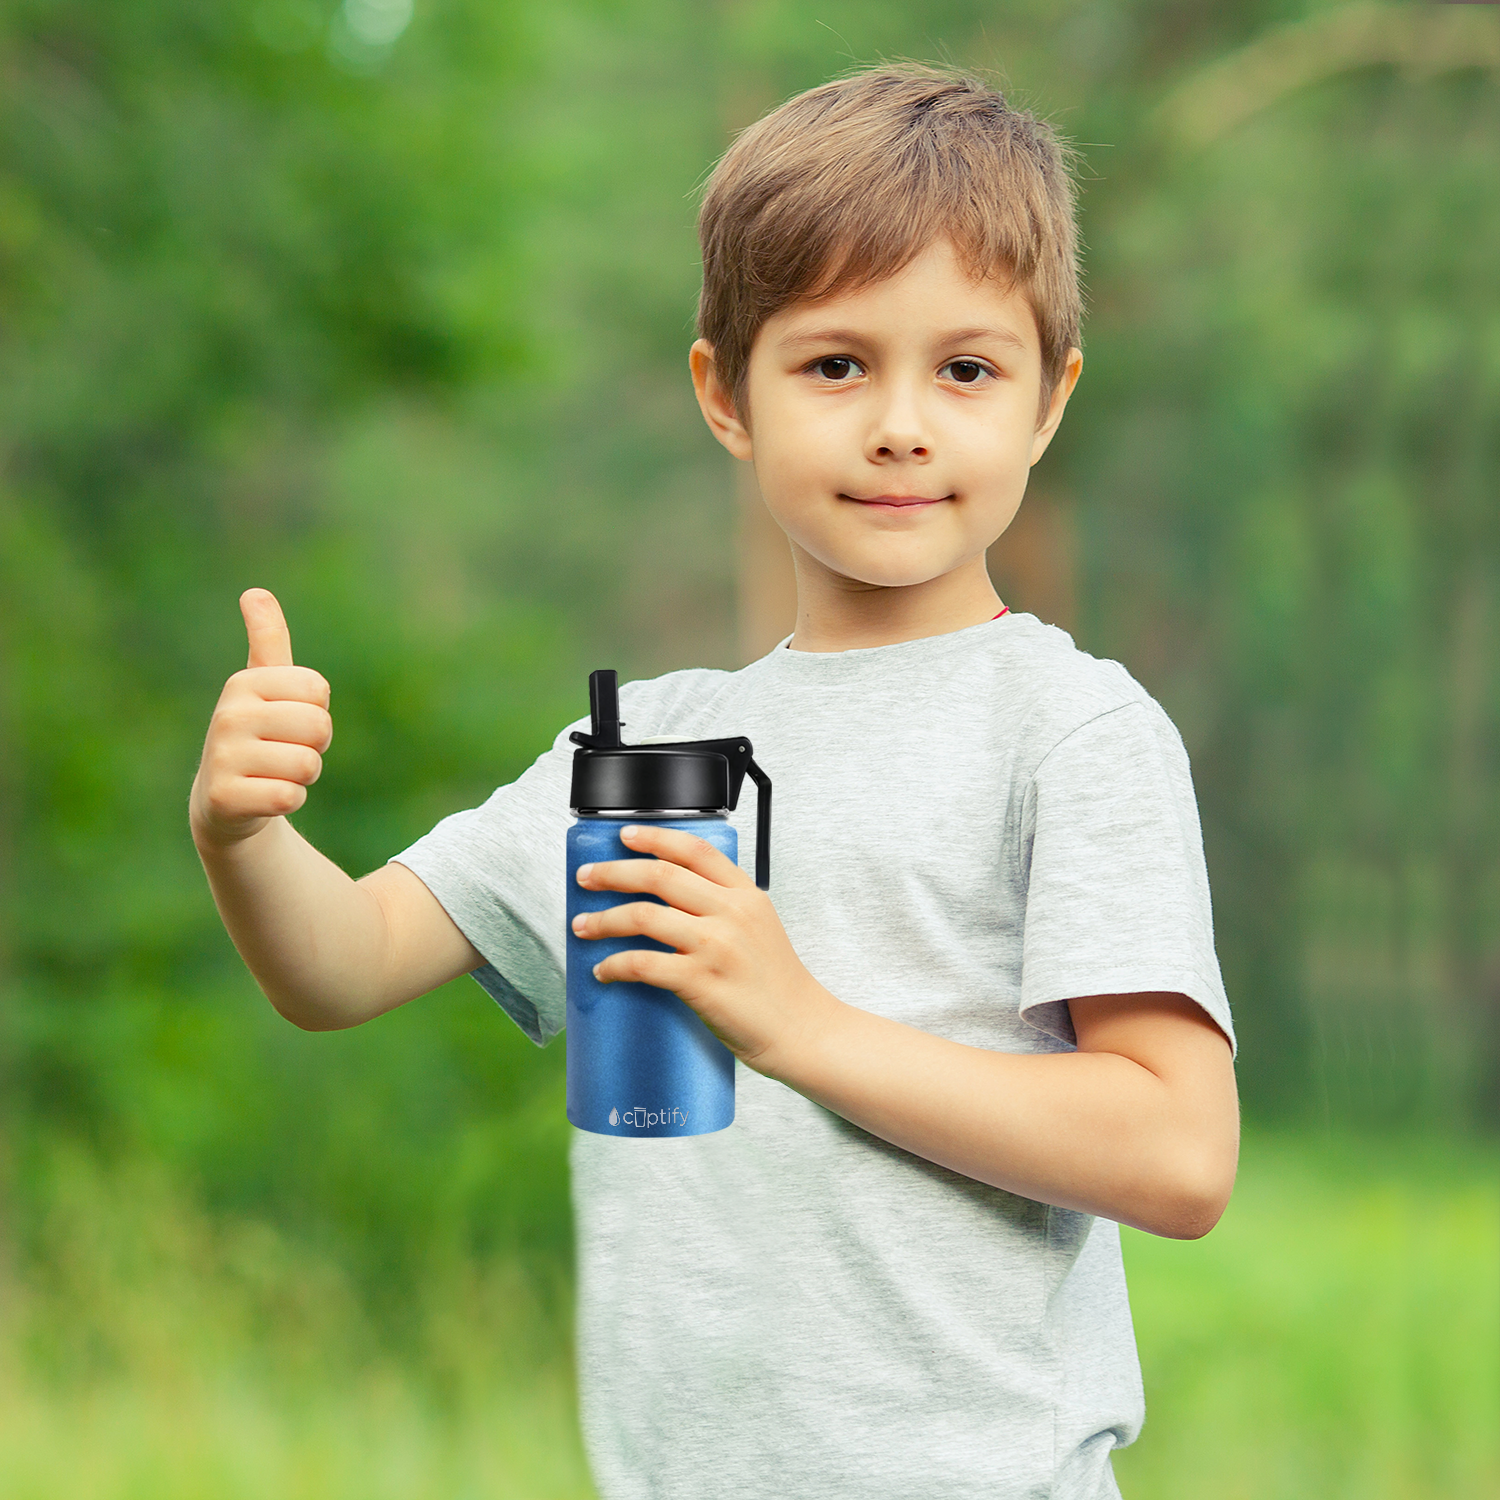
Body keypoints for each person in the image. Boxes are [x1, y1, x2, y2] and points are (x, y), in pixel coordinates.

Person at [190, 63, 1238, 1500]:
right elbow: (341, 964)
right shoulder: (632, 758)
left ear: (1049, 400)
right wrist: (242, 832)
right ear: (724, 394)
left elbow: (1179, 1152)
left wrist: (797, 1022)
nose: (901, 424)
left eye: (967, 369)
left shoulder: (1070, 731)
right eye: (834, 364)